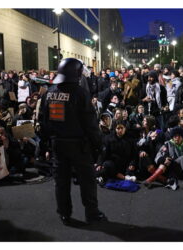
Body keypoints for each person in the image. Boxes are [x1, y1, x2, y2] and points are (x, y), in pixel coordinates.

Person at [39, 58, 105, 225]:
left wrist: (46, 143)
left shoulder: (49, 93)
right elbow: (90, 123)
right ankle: (92, 213)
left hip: (57, 144)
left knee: (61, 181)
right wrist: (98, 144)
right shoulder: (80, 93)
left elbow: (43, 121)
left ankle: (64, 213)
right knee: (87, 181)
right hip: (79, 145)